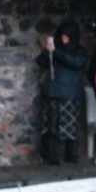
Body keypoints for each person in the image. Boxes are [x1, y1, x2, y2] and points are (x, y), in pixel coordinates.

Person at [35, 20, 89, 164]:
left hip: (69, 94)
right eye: (62, 36)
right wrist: (48, 52)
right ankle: (54, 157)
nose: (64, 39)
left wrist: (56, 53)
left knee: (67, 127)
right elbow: (40, 62)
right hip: (53, 92)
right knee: (53, 126)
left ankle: (70, 156)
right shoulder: (56, 49)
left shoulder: (79, 51)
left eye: (67, 36)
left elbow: (76, 63)